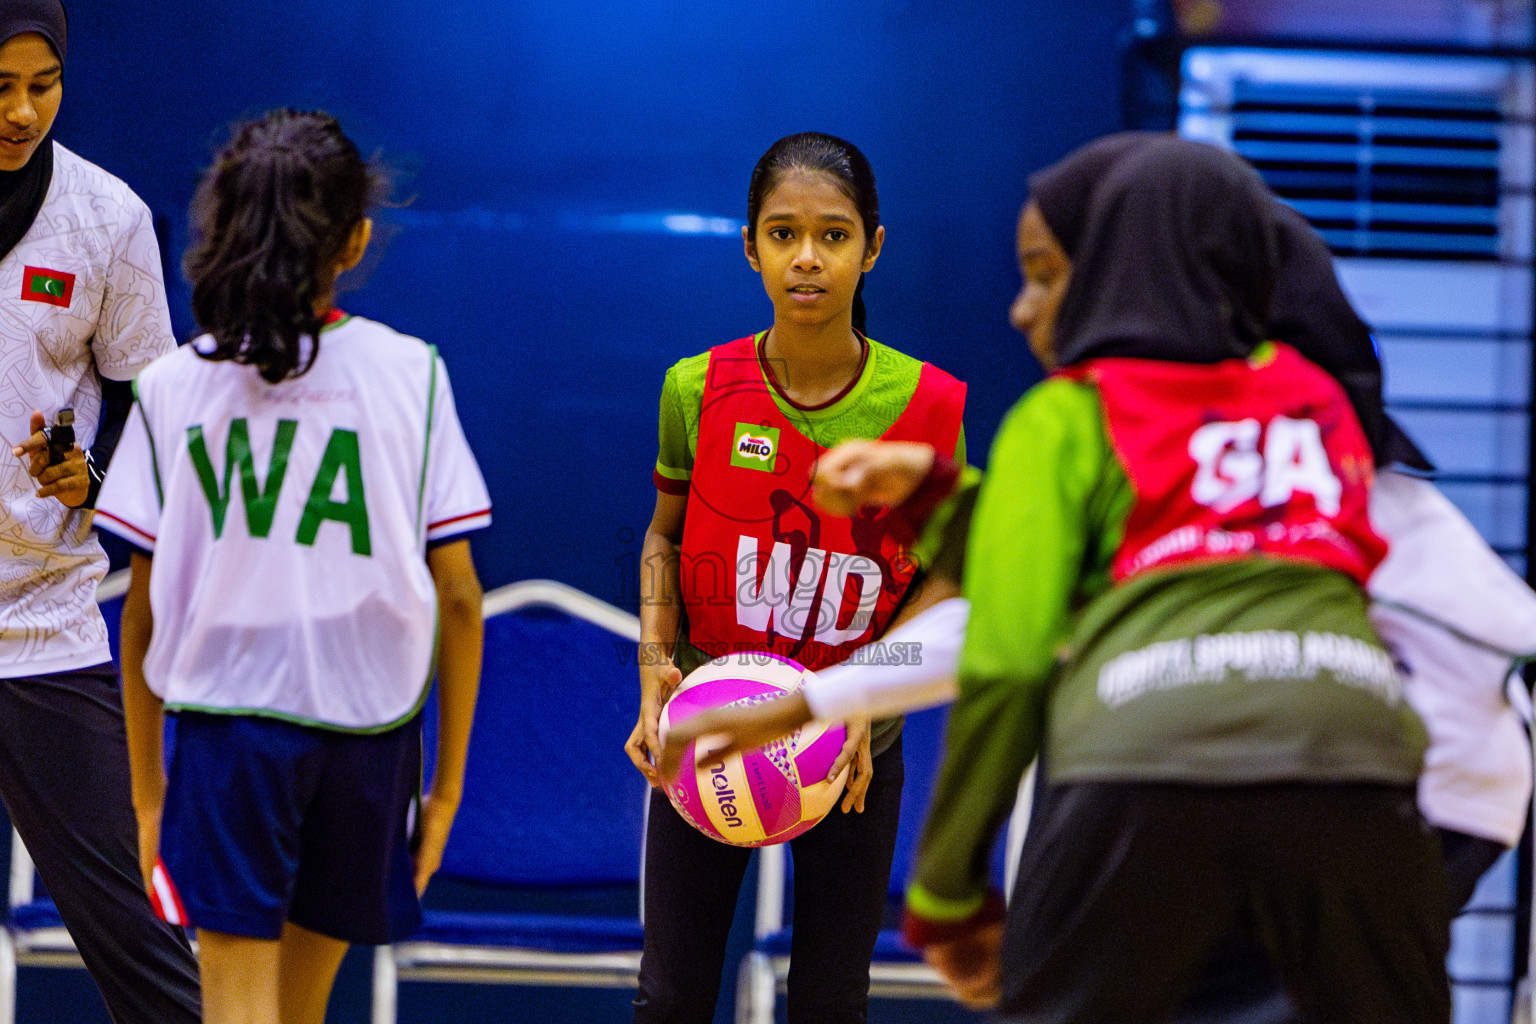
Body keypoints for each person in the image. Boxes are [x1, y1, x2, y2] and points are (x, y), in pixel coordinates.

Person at [897, 135, 1448, 1022]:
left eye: (1046, 272)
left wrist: (947, 896)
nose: (1020, 309)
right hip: (1355, 749)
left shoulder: (1069, 412)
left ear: (1113, 258)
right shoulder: (1320, 397)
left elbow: (1007, 658)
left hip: (1144, 753)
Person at [93, 109, 490, 1024]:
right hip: (372, 739)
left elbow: (142, 615)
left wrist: (148, 794)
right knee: (300, 1015)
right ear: (354, 239)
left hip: (228, 739)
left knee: (237, 1013)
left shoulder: (171, 386)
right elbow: (460, 600)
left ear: (224, 227)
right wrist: (447, 791)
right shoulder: (411, 373)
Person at [624, 131, 967, 1024]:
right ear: (750, 247)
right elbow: (663, 537)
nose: (807, 258)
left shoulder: (930, 405)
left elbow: (944, 586)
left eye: (834, 234)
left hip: (855, 750)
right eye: (782, 234)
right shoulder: (695, 390)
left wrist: (863, 698)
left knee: (828, 1001)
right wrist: (654, 660)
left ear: (873, 247)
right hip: (712, 732)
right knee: (669, 998)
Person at [0, 3, 202, 1020]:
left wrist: (93, 473)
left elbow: (149, 407)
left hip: (43, 627)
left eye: (44, 84)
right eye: (0, 86)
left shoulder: (106, 217)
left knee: (145, 948)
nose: (24, 110)